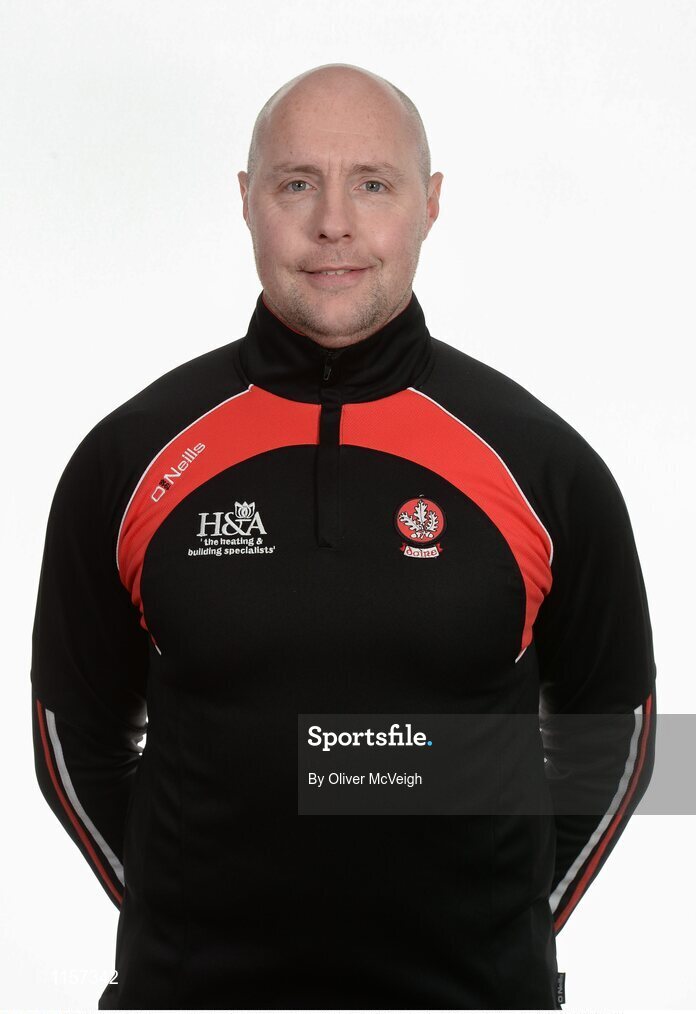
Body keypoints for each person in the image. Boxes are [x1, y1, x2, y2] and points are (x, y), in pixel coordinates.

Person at [30, 62, 656, 1009]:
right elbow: (72, 735)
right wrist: (174, 922)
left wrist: (508, 926)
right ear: (246, 202)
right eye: (296, 184)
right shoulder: (128, 461)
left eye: (373, 183)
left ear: (431, 204)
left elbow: (619, 733)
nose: (333, 223)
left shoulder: (543, 466)